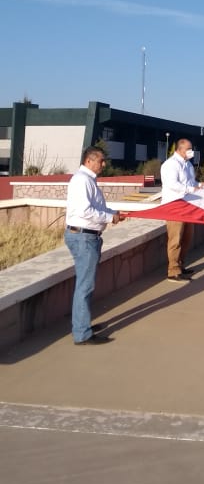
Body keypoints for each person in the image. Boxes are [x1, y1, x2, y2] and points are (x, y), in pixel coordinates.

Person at [64, 146, 121, 345]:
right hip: (83, 238)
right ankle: (82, 333)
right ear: (89, 160)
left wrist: (113, 213)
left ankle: (83, 324)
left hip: (87, 237)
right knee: (85, 286)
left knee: (85, 284)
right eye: (100, 161)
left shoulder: (88, 180)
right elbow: (84, 211)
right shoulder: (81, 181)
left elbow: (97, 207)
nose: (103, 165)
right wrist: (108, 216)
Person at [160, 138, 204, 281]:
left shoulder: (188, 165)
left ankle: (180, 265)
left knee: (187, 238)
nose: (191, 152)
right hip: (174, 205)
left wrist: (201, 185)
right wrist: (191, 188)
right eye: (188, 149)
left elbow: (192, 182)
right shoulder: (171, 165)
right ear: (179, 149)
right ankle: (173, 271)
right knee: (175, 239)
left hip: (187, 205)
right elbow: (172, 184)